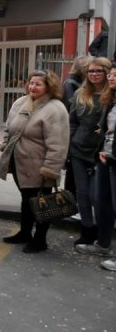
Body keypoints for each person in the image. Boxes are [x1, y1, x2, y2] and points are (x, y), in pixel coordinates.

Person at [0, 70, 69, 253]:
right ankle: (24, 233)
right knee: (26, 200)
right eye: (31, 83)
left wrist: (51, 169)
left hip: (40, 166)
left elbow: (59, 143)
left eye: (38, 84)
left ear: (49, 86)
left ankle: (40, 240)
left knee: (42, 203)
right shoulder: (21, 102)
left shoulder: (55, 108)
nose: (32, 87)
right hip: (20, 163)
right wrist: (5, 145)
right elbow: (8, 127)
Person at [69, 57, 110, 249]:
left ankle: (103, 235)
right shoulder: (80, 93)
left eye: (98, 71)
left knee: (98, 196)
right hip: (79, 149)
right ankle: (86, 231)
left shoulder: (112, 95)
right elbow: (72, 121)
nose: (94, 74)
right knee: (82, 193)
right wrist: (71, 142)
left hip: (102, 153)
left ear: (107, 73)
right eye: (91, 71)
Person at [93, 63, 116, 271]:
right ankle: (104, 243)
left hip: (113, 158)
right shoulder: (110, 100)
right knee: (102, 201)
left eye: (115, 75)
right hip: (105, 157)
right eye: (111, 75)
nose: (111, 78)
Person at [61, 55, 91, 197]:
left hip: (80, 134)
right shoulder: (71, 84)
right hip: (73, 133)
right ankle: (70, 202)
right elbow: (72, 111)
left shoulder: (79, 84)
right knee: (73, 172)